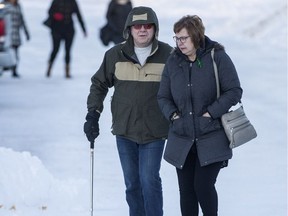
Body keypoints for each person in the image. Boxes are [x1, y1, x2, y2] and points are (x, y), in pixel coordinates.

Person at [84, 6, 173, 216]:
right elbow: (99, 84)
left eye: (147, 25)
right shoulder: (115, 54)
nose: (142, 30)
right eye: (137, 26)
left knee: (149, 179)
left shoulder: (168, 55)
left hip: (155, 130)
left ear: (155, 29)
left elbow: (182, 87)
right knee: (132, 183)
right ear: (129, 29)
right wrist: (93, 115)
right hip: (125, 130)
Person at [157, 15, 243, 216]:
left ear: (196, 36)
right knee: (186, 192)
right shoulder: (173, 61)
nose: (180, 43)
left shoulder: (217, 57)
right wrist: (173, 115)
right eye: (177, 38)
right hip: (183, 137)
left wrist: (210, 113)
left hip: (211, 135)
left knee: (203, 187)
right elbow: (162, 96)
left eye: (184, 38)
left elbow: (234, 90)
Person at [45, 0, 87, 78]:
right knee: (55, 49)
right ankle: (49, 68)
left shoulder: (72, 2)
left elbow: (78, 15)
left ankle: (67, 72)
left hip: (69, 30)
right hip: (57, 30)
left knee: (68, 50)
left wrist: (83, 29)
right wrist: (55, 15)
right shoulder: (56, 1)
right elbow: (49, 11)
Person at [1, 0, 30, 78]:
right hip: (5, 33)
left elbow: (21, 19)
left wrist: (26, 32)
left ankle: (14, 70)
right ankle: (3, 68)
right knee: (5, 51)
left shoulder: (18, 6)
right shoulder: (2, 4)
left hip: (16, 33)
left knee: (15, 52)